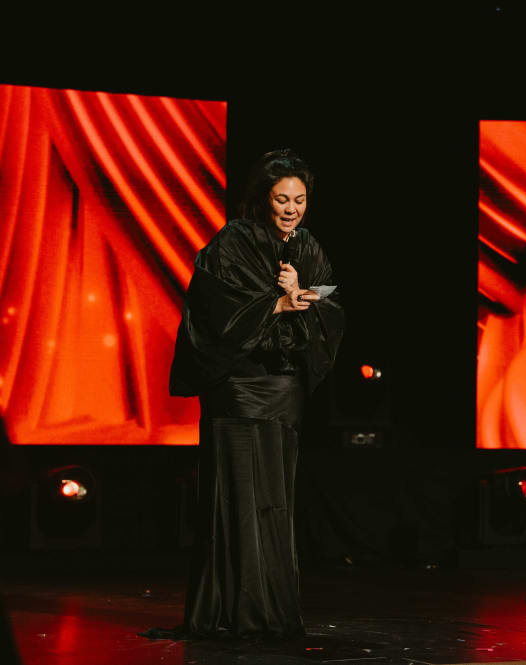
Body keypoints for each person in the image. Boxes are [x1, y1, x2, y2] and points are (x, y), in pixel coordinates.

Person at [168, 149, 345, 637]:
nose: (291, 208)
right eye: (282, 199)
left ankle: (270, 607)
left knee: (273, 500)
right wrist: (278, 303)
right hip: (240, 388)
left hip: (284, 390)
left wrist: (302, 297)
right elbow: (215, 313)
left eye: (300, 200)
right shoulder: (234, 241)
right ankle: (235, 609)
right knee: (239, 496)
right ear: (263, 199)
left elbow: (331, 313)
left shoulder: (306, 246)